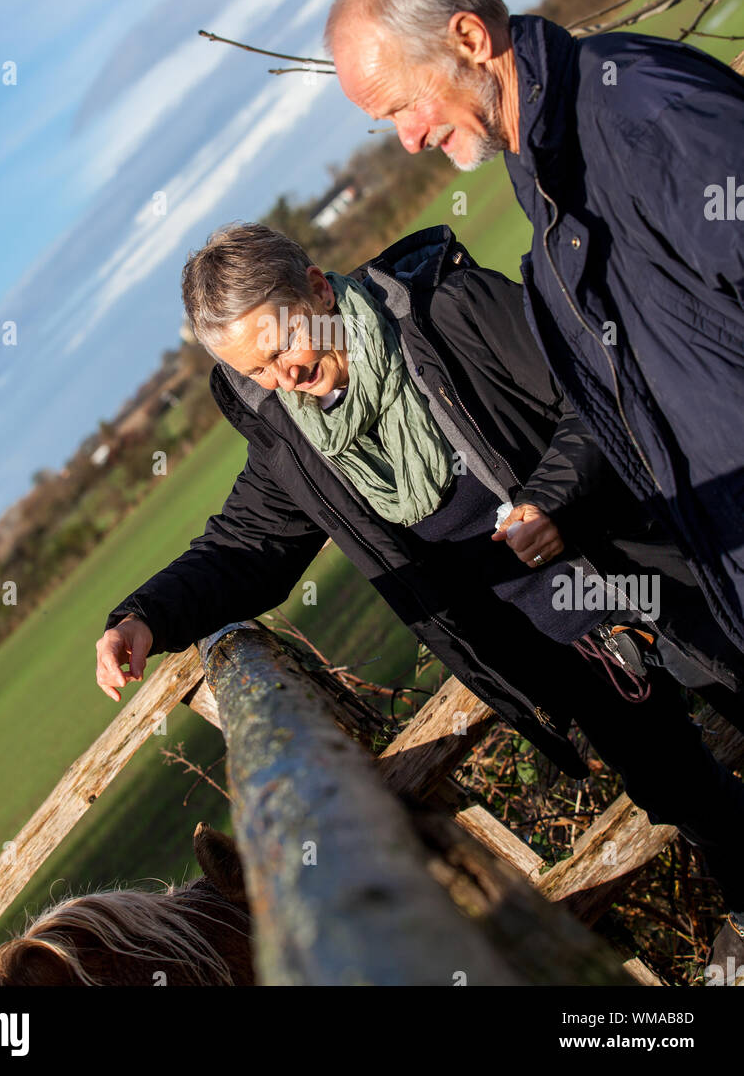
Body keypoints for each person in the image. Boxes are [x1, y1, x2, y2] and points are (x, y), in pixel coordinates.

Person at [96, 220, 744, 970]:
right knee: (681, 792)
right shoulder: (292, 439)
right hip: (566, 648)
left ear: (315, 289)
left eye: (283, 348)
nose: (281, 379)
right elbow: (249, 547)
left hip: (657, 573)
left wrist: (553, 498)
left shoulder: (447, 311)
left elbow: (597, 395)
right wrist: (145, 616)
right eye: (256, 371)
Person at [324, 0, 744, 664]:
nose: (411, 138)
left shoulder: (637, 112)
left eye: (404, 105)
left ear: (469, 39)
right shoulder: (544, 170)